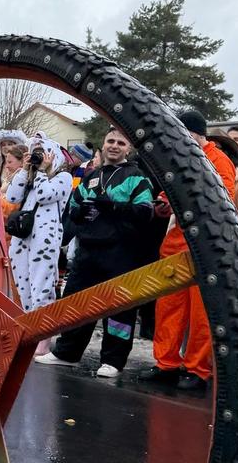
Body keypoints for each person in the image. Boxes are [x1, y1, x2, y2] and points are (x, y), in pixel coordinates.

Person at [35, 128, 154, 374]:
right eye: (110, 141)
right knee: (76, 302)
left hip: (121, 253)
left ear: (128, 149)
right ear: (103, 145)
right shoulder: (92, 176)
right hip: (87, 251)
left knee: (118, 308)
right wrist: (79, 214)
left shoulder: (137, 178)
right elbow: (74, 206)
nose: (114, 146)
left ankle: (113, 360)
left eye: (120, 142)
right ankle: (67, 352)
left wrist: (113, 207)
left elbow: (145, 212)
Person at [144, 110, 236, 391]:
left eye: (185, 133)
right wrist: (162, 202)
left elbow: (225, 200)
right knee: (169, 306)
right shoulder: (177, 156)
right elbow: (167, 190)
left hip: (205, 245)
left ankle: (198, 369)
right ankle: (166, 364)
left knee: (201, 311)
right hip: (174, 241)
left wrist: (181, 203)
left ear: (199, 134)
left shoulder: (219, 160)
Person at [4, 132, 73, 314]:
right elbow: (12, 197)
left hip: (45, 238)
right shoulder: (30, 177)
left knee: (41, 286)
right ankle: (31, 323)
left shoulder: (63, 177)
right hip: (23, 237)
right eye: (35, 153)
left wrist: (42, 170)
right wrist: (26, 170)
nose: (38, 157)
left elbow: (44, 195)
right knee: (24, 286)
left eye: (42, 153)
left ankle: (43, 333)